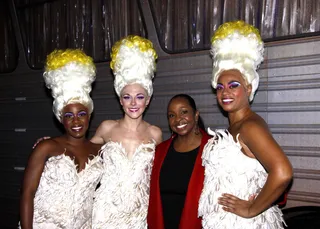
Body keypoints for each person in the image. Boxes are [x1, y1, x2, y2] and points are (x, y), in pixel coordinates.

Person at [198, 20, 293, 228]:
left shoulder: (250, 126)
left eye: (234, 85)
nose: (225, 92)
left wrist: (250, 208)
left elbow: (283, 172)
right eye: (220, 87)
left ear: (248, 88)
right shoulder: (235, 126)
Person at [19, 49, 104, 229]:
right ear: (61, 118)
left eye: (81, 114)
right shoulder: (46, 147)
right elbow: (27, 194)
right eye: (69, 115)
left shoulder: (100, 150)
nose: (76, 121)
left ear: (89, 115)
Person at [91, 35, 162, 229]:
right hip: (105, 212)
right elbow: (82, 153)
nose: (133, 103)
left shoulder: (155, 133)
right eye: (127, 97)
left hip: (138, 214)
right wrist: (55, 144)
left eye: (139, 97)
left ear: (147, 100)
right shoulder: (107, 127)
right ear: (120, 100)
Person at [148, 94, 211, 229]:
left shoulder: (213, 148)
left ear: (196, 115)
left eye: (184, 112)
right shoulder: (160, 151)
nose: (178, 119)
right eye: (172, 115)